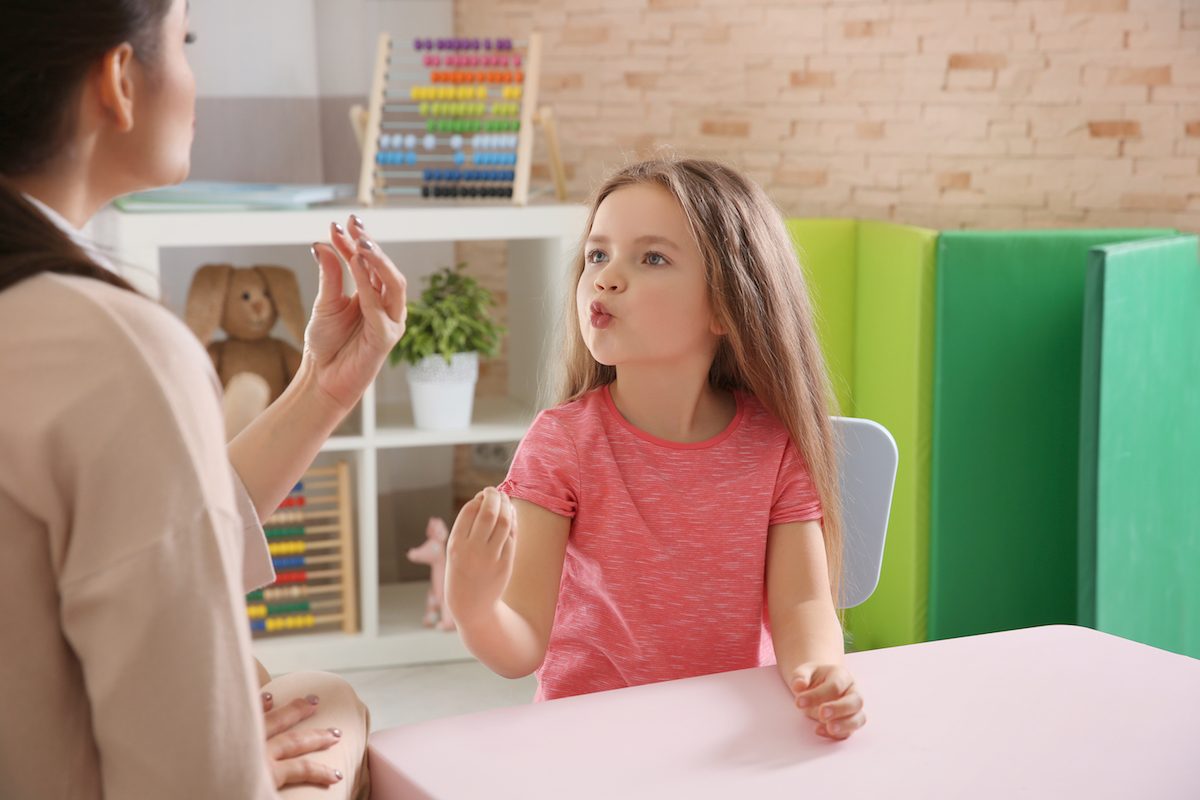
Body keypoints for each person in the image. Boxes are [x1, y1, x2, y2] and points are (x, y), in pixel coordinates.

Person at [0, 0, 407, 796]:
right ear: (119, 79)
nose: (193, 74)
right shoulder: (113, 349)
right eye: (184, 41)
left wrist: (324, 386)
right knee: (329, 707)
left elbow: (150, 515)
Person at [444, 158, 866, 740]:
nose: (607, 277)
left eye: (652, 258)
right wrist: (475, 608)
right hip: (592, 742)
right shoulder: (561, 444)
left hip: (727, 739)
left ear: (727, 305)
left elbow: (801, 608)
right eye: (597, 254)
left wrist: (821, 673)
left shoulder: (774, 446)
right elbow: (520, 648)